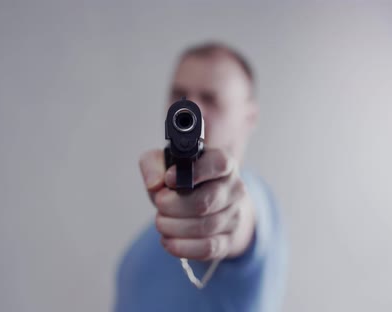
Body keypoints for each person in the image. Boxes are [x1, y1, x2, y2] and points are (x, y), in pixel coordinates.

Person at [114, 42, 288, 311]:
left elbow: (237, 212)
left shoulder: (249, 198)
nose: (191, 110)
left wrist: (224, 216)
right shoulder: (161, 226)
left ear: (249, 117)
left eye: (211, 99)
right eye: (180, 94)